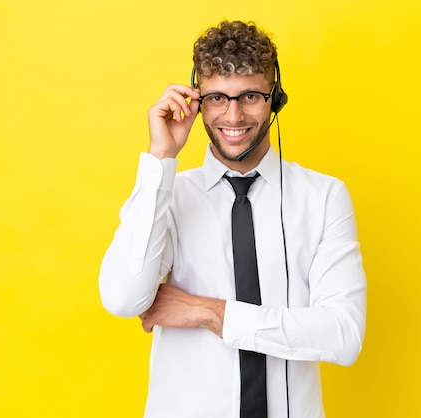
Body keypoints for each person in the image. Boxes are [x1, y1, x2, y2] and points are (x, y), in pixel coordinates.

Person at [99, 20, 367, 418]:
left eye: (251, 97)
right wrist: (160, 160)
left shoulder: (324, 197)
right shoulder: (169, 198)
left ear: (275, 98)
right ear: (197, 101)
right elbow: (123, 298)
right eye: (217, 98)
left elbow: (343, 335)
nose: (234, 115)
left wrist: (209, 312)